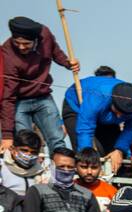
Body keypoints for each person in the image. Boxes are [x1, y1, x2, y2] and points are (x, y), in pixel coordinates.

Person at [1, 17, 78, 154]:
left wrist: (68, 63)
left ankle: (59, 172)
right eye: (17, 42)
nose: (21, 47)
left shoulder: (45, 34)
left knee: (57, 139)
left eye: (26, 43)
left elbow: (55, 52)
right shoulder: (7, 54)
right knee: (24, 142)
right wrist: (7, 135)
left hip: (43, 97)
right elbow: (8, 96)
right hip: (19, 101)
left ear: (36, 39)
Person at [61, 76, 132, 174]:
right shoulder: (98, 96)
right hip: (77, 108)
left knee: (115, 156)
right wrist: (89, 159)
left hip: (106, 117)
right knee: (89, 157)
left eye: (123, 114)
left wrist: (119, 150)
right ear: (112, 101)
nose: (118, 116)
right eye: (117, 111)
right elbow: (85, 129)